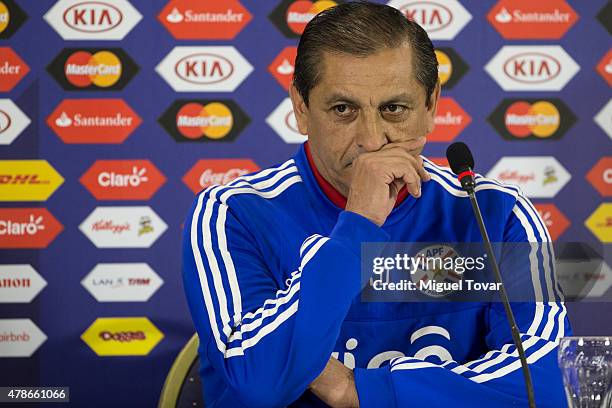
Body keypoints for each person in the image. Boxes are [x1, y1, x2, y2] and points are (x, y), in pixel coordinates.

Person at [182, 2, 570, 407]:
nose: (371, 139)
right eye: (343, 109)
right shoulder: (236, 213)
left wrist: (355, 389)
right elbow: (259, 383)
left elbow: (546, 385)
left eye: (394, 109)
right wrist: (359, 224)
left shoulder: (496, 213)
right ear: (301, 108)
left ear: (431, 106)